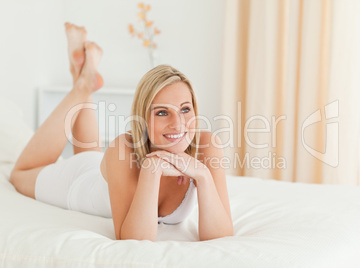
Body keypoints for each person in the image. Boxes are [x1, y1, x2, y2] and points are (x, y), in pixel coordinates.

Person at [9, 23, 233, 241]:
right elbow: (135, 239)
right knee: (19, 174)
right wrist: (151, 170)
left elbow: (221, 235)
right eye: (163, 112)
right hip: (79, 181)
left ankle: (82, 75)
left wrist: (202, 175)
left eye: (185, 109)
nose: (178, 124)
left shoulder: (206, 146)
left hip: (104, 168)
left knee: (91, 152)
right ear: (143, 119)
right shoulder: (123, 148)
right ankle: (81, 87)